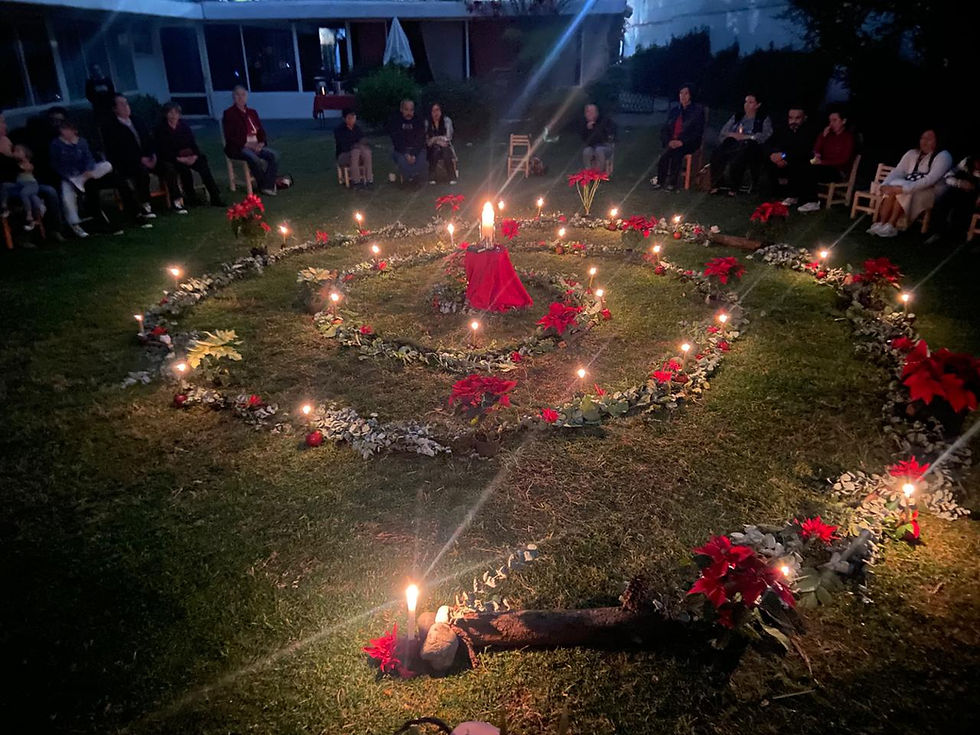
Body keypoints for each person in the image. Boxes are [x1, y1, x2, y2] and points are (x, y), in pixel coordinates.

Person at [50, 120, 132, 238]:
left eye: (67, 129)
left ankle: (81, 181)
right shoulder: (56, 144)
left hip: (85, 174)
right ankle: (75, 224)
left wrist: (88, 170)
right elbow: (56, 164)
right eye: (63, 129)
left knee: (107, 165)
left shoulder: (81, 142)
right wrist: (67, 176)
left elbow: (89, 158)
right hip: (69, 176)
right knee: (68, 198)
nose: (64, 132)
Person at [103, 94, 182, 216]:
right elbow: (119, 150)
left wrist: (153, 155)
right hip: (129, 163)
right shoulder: (112, 127)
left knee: (168, 168)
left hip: (148, 158)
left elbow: (149, 140)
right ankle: (145, 204)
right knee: (141, 172)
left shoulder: (137, 121)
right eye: (121, 104)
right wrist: (140, 159)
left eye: (126, 103)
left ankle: (176, 201)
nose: (126, 107)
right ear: (115, 109)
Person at [869, 129, 953, 238]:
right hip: (910, 186)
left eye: (929, 139)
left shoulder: (944, 156)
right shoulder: (912, 153)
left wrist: (904, 188)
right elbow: (898, 171)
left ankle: (892, 224)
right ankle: (882, 222)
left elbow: (930, 180)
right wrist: (885, 184)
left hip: (930, 192)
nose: (924, 142)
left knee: (903, 191)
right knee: (893, 187)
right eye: (923, 138)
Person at [1, 110, 63, 240]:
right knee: (26, 196)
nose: (5, 125)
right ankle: (23, 236)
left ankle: (54, 229)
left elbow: (26, 158)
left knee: (50, 191)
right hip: (10, 185)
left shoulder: (10, 140)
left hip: (27, 180)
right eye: (2, 122)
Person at [155, 102, 225, 207]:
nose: (174, 115)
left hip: (188, 155)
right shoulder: (161, 130)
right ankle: (191, 197)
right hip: (174, 159)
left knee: (203, 164)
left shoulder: (184, 127)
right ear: (166, 114)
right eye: (171, 113)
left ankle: (215, 196)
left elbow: (193, 144)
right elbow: (163, 151)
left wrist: (195, 156)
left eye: (176, 113)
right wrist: (180, 159)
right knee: (184, 170)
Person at [710, 94, 772, 196]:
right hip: (733, 142)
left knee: (740, 156)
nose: (747, 105)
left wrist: (746, 137)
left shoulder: (763, 118)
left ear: (758, 105)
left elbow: (765, 135)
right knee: (717, 153)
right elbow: (724, 131)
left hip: (750, 145)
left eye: (751, 102)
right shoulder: (737, 116)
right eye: (746, 102)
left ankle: (734, 187)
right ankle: (717, 184)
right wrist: (732, 135)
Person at [222, 85, 280, 196]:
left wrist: (261, 143)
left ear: (246, 96)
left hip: (256, 144)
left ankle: (266, 185)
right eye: (237, 95)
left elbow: (261, 131)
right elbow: (230, 136)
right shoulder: (229, 114)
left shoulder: (252, 112)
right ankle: (266, 186)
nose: (240, 97)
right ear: (233, 97)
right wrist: (248, 145)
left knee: (275, 155)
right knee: (253, 158)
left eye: (243, 94)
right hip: (239, 147)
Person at [796, 107, 857, 212]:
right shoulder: (827, 135)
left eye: (835, 120)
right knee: (802, 165)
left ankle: (813, 202)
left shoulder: (848, 138)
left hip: (837, 170)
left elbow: (844, 159)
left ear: (843, 121)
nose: (831, 124)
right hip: (823, 166)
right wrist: (822, 136)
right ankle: (799, 197)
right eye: (830, 121)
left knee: (811, 169)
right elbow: (816, 151)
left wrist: (822, 162)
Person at [654, 84, 705, 190]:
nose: (683, 96)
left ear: (690, 95)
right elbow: (666, 128)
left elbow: (697, 132)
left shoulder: (697, 112)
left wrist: (682, 141)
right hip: (673, 141)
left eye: (686, 93)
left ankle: (672, 183)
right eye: (681, 93)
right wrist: (668, 141)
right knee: (664, 155)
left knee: (677, 154)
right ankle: (660, 181)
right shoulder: (675, 111)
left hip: (687, 142)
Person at [765, 106, 816, 204]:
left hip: (798, 160)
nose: (793, 121)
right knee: (767, 160)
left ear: (804, 118)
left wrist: (784, 156)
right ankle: (775, 192)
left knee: (800, 163)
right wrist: (773, 155)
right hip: (781, 158)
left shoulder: (809, 131)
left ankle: (794, 195)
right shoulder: (782, 129)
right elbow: (769, 143)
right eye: (791, 118)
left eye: (797, 118)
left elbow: (803, 150)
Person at [926, 154, 980, 243]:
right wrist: (959, 183)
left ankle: (957, 234)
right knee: (944, 198)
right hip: (960, 190)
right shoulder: (966, 162)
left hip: (974, 195)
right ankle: (937, 231)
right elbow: (948, 176)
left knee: (964, 207)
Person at [1, 145, 45, 231]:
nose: (15, 153)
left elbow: (25, 168)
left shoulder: (28, 163)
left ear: (25, 153)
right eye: (14, 151)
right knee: (5, 186)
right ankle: (4, 207)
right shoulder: (14, 164)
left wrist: (20, 159)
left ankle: (29, 215)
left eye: (18, 151)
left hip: (31, 184)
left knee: (24, 193)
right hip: (20, 185)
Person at [388, 99, 427, 185]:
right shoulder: (396, 121)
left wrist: (413, 154)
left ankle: (414, 177)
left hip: (416, 149)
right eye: (406, 109)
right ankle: (410, 177)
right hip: (401, 150)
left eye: (411, 110)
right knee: (402, 159)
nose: (409, 112)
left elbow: (421, 139)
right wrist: (406, 153)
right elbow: (396, 140)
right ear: (401, 109)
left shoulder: (418, 121)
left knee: (421, 157)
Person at [334, 108, 374, 190]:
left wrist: (363, 143)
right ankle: (356, 181)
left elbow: (362, 139)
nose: (352, 120)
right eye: (349, 118)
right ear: (344, 119)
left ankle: (369, 179)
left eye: (353, 118)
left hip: (358, 154)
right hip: (344, 155)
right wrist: (356, 145)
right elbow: (344, 146)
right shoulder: (339, 130)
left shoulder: (357, 128)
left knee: (366, 151)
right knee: (355, 151)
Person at [425, 103, 458, 184]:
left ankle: (452, 177)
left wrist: (435, 139)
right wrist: (437, 140)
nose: (435, 113)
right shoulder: (427, 122)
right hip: (431, 148)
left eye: (437, 110)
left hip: (445, 146)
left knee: (445, 149)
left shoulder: (446, 121)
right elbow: (428, 142)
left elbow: (448, 137)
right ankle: (432, 176)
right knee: (436, 149)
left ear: (441, 111)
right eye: (433, 111)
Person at [580, 103, 616, 172]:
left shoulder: (605, 121)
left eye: (592, 112)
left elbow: (605, 138)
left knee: (599, 150)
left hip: (606, 146)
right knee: (586, 151)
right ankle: (589, 172)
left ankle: (598, 173)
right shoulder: (584, 123)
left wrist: (595, 128)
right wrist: (588, 129)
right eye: (587, 112)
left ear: (597, 112)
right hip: (592, 147)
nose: (590, 114)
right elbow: (585, 140)